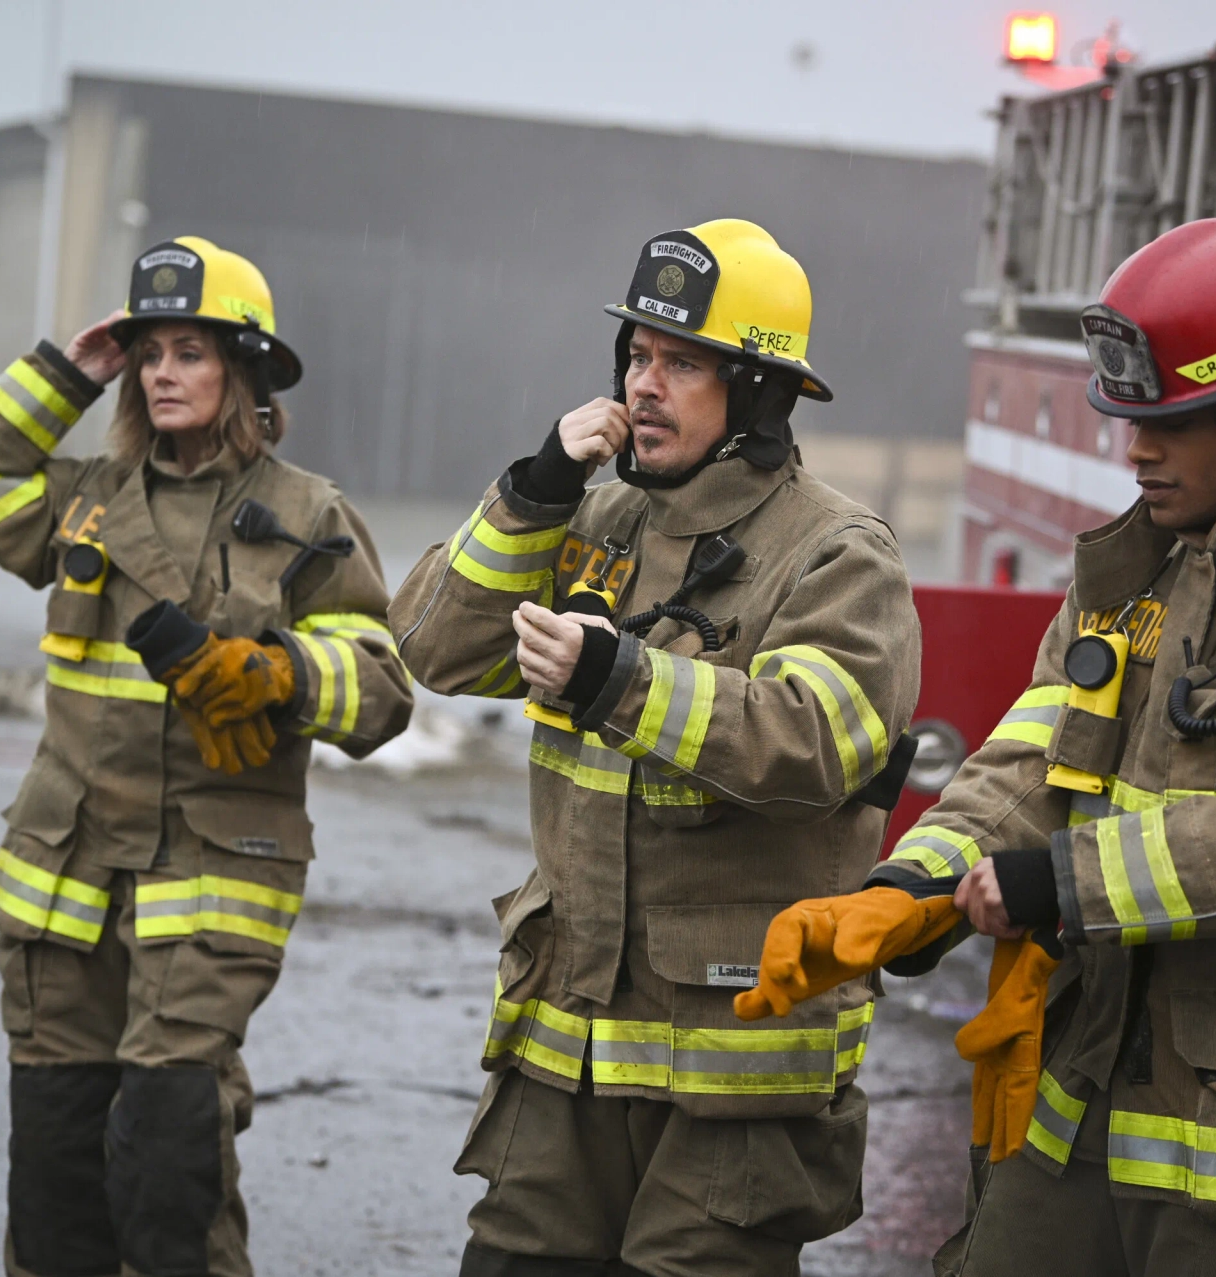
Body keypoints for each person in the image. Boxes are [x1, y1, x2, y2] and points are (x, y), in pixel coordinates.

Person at [739, 218, 1216, 1275]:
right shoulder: (1133, 582)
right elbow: (1029, 769)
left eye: (1171, 425)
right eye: (1131, 419)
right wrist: (910, 886)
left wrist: (1052, 886)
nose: (1135, 450)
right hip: (1074, 1114)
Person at [390, 217, 922, 1276]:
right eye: (637, 354)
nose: (645, 383)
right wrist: (534, 492)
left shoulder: (838, 554)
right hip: (565, 1055)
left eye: (683, 362)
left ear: (760, 394)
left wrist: (619, 679)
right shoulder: (596, 524)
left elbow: (812, 739)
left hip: (737, 1084)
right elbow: (433, 644)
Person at [0, 235, 413, 1277]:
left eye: (191, 351)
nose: (164, 373)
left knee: (162, 1163)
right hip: (64, 876)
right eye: (149, 355)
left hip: (212, 875)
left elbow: (383, 690)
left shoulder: (307, 512)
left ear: (245, 371)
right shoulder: (84, 498)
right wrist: (65, 373)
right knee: (53, 1174)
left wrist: (281, 674)